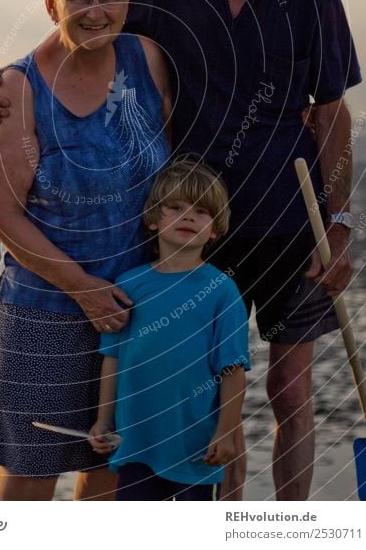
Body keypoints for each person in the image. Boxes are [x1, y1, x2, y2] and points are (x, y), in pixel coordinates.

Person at [0, 0, 361, 501]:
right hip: (172, 247)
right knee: (167, 409)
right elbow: (80, 32)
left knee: (283, 392)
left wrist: (340, 217)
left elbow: (331, 114)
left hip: (281, 227)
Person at [0, 0, 171, 501]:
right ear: (50, 2)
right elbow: (1, 211)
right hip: (43, 309)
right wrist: (83, 288)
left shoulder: (146, 59)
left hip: (134, 302)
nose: (95, 12)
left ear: (127, 1)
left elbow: (175, 171)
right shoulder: (17, 86)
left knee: (109, 464)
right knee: (32, 468)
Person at [88, 157, 250, 501]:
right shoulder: (128, 286)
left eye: (202, 211)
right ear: (152, 220)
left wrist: (226, 433)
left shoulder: (221, 291)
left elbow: (233, 370)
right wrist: (103, 420)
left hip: (195, 445)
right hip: (137, 442)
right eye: (175, 207)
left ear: (215, 229)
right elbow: (112, 359)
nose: (189, 216)